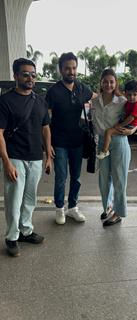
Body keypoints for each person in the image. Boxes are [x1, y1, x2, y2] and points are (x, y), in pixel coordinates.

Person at [0, 58, 52, 257]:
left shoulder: (39, 100)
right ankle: (12, 237)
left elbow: (46, 128)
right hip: (15, 157)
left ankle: (26, 230)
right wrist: (6, 162)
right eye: (25, 74)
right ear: (15, 76)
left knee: (30, 198)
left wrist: (48, 155)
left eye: (33, 74)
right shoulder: (5, 101)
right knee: (14, 200)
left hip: (35, 158)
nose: (30, 78)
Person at [46, 52, 96, 225]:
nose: (71, 71)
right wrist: (47, 145)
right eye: (67, 68)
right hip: (59, 142)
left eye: (74, 68)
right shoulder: (53, 92)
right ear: (61, 70)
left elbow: (97, 99)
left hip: (78, 141)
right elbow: (46, 120)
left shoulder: (82, 88)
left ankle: (73, 207)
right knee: (61, 177)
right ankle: (59, 208)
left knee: (76, 177)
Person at [92, 69, 137, 227]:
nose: (108, 84)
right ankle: (109, 206)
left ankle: (119, 213)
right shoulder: (95, 101)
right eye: (105, 81)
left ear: (116, 83)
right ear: (101, 82)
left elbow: (136, 115)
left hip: (119, 141)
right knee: (104, 179)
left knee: (119, 179)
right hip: (102, 143)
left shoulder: (123, 101)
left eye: (111, 81)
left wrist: (132, 130)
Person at [97, 79, 137, 159]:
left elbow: (131, 118)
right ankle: (105, 150)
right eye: (129, 95)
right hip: (126, 125)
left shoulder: (136, 104)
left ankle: (104, 151)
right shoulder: (126, 100)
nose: (131, 97)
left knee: (109, 132)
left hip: (128, 126)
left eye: (134, 95)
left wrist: (120, 125)